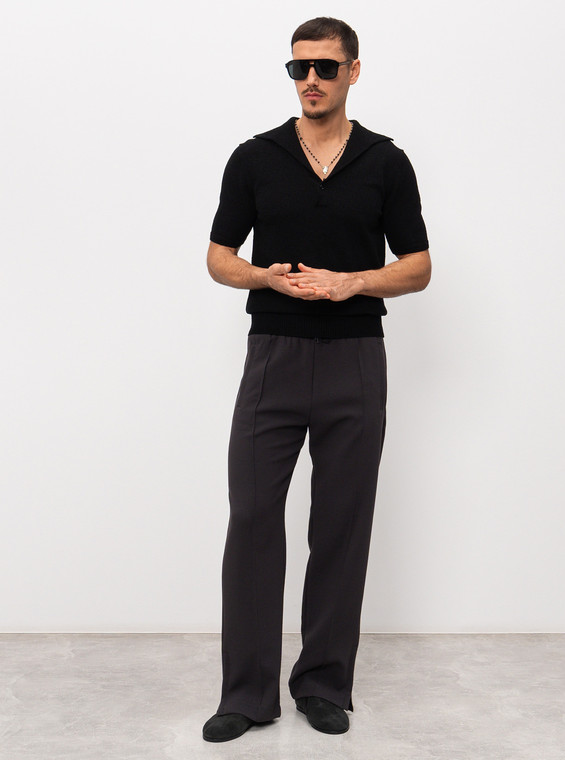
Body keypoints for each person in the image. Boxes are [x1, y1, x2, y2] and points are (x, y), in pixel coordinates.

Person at [202, 16, 431, 743]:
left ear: (353, 72)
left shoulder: (386, 162)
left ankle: (324, 683)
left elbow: (418, 267)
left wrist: (352, 282)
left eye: (326, 67)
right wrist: (263, 275)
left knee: (341, 523)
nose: (310, 80)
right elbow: (218, 256)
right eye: (299, 67)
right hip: (272, 353)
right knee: (252, 518)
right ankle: (246, 693)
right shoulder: (255, 157)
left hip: (355, 358)